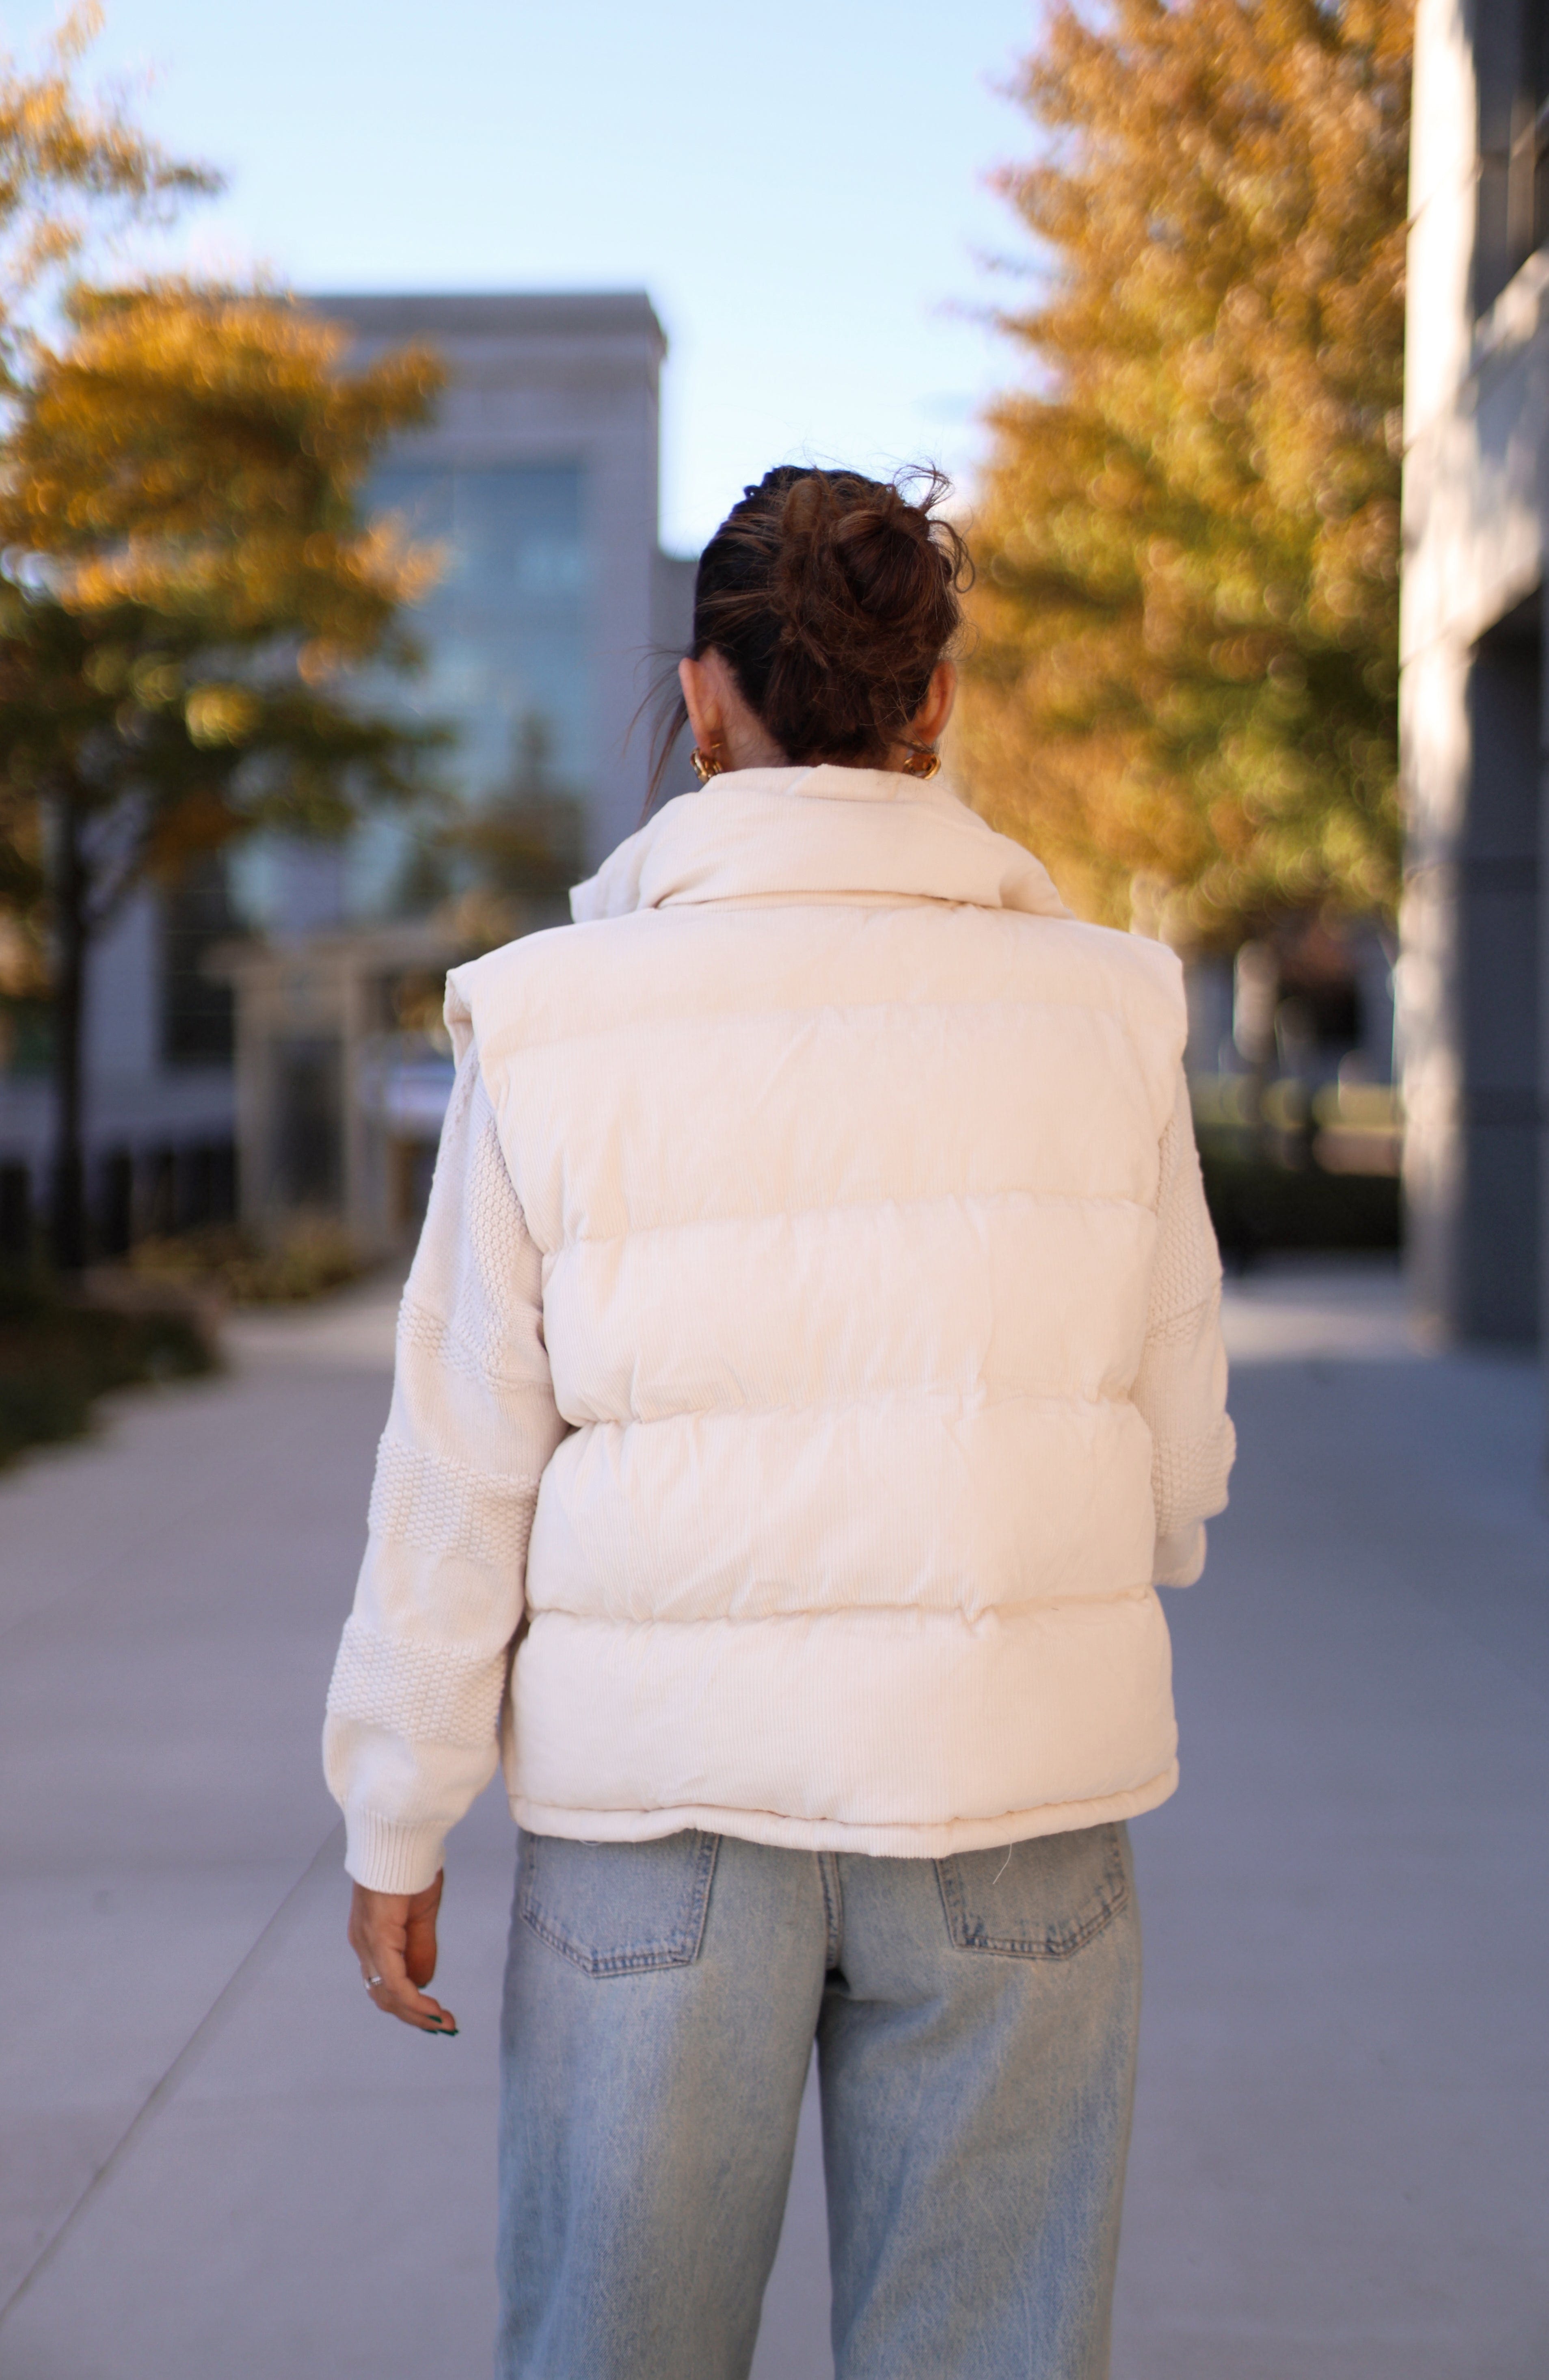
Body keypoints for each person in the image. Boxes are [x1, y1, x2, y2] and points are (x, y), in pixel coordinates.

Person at [324, 464, 1235, 2380]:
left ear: (704, 700)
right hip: (1013, 1795)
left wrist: (399, 1798)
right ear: (936, 703)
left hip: (662, 1813)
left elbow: (461, 1457)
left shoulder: (556, 1018)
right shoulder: (1112, 1011)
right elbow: (1180, 1448)